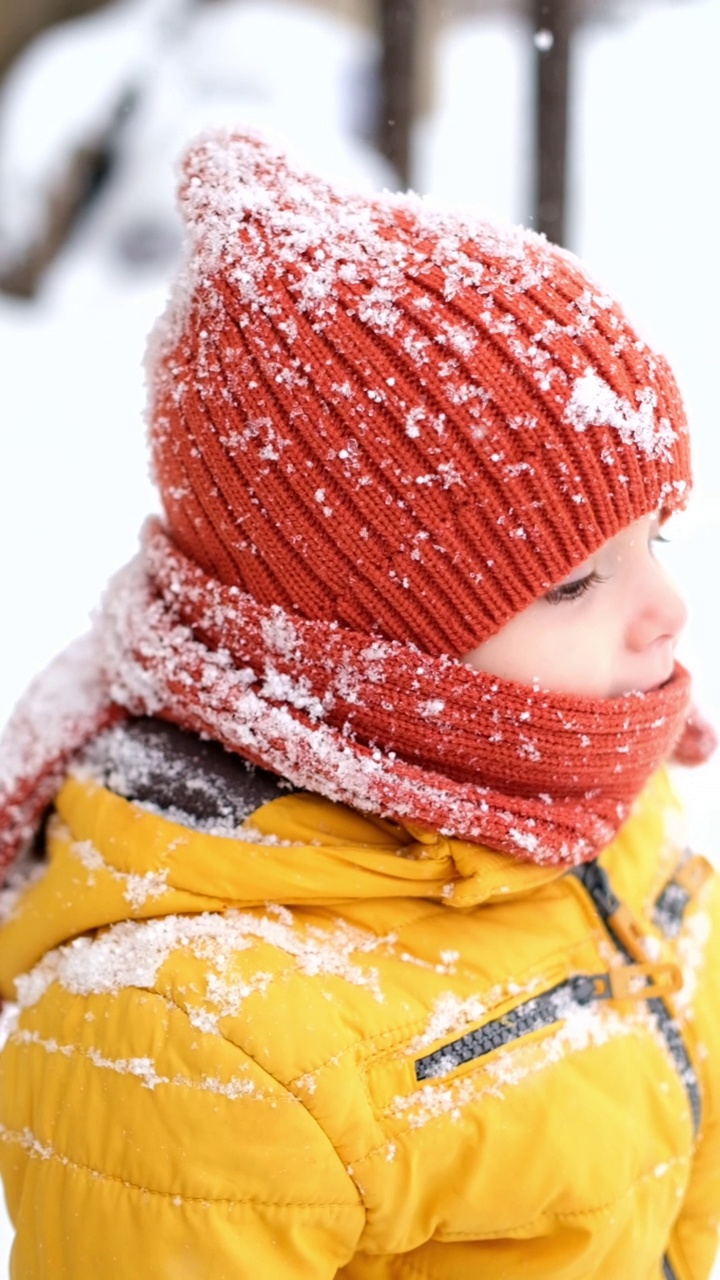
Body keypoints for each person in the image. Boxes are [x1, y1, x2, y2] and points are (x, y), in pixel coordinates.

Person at [0, 131, 719, 1280]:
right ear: (372, 648)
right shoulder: (191, 1033)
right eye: (573, 579)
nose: (667, 608)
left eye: (657, 537)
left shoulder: (578, 788)